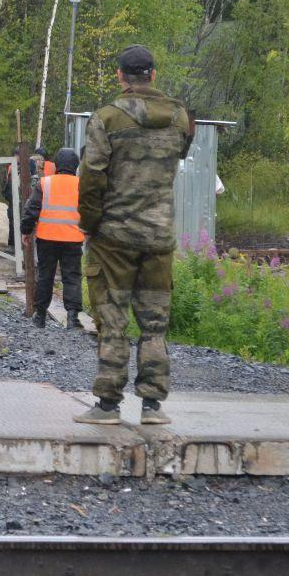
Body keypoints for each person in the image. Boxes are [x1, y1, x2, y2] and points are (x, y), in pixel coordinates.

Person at [74, 45, 193, 427]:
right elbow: (177, 158)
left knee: (112, 319)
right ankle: (153, 406)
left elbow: (92, 176)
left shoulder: (107, 119)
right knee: (154, 322)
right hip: (159, 235)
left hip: (114, 237)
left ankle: (108, 405)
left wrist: (90, 223)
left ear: (120, 76)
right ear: (154, 75)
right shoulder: (180, 119)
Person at [21, 148, 84, 329]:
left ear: (56, 164)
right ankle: (72, 318)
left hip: (47, 238)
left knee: (45, 276)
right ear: (75, 166)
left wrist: (26, 230)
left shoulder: (45, 183)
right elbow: (89, 211)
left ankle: (40, 316)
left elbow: (31, 209)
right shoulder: (81, 185)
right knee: (72, 277)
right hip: (72, 239)